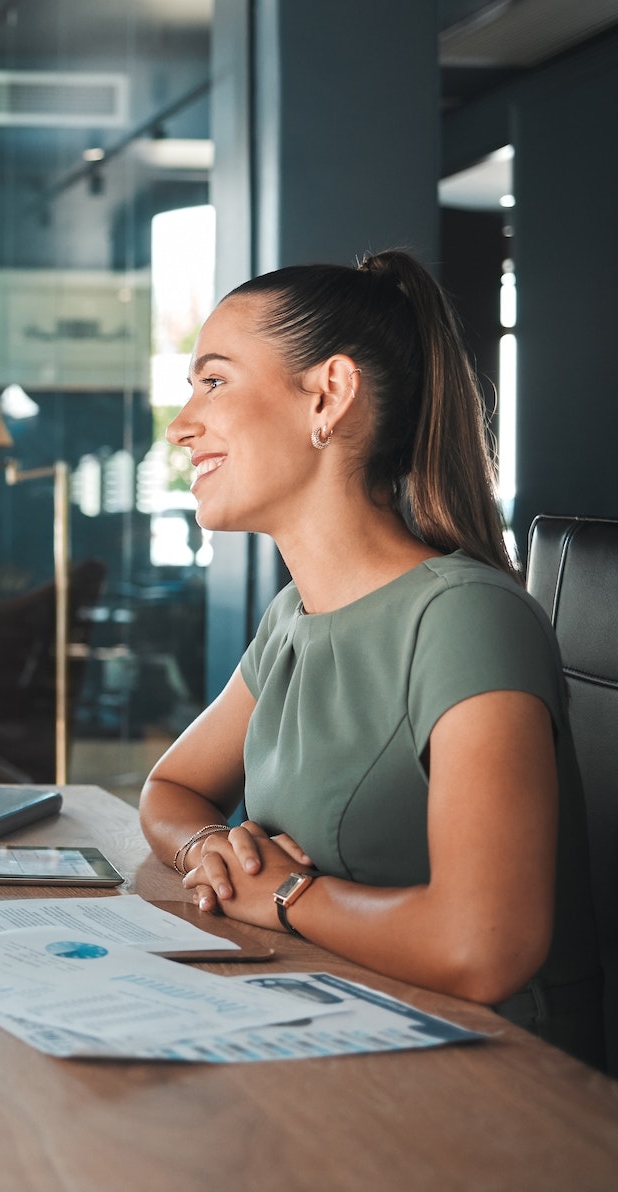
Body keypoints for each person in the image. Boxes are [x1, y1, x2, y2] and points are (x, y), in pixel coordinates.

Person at [138, 249, 601, 1066]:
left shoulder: (465, 618)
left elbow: (485, 946)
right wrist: (208, 847)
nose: (181, 426)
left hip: (488, 1076)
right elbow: (170, 789)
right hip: (327, 1015)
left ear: (328, 395)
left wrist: (283, 895)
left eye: (212, 382)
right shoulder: (293, 618)